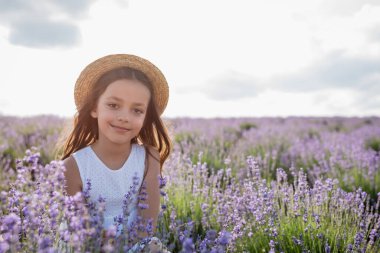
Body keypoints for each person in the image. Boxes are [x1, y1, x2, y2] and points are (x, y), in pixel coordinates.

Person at [59, 54, 172, 249]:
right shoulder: (73, 167)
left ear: (146, 117)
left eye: (136, 110)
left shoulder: (148, 158)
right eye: (113, 105)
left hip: (136, 245)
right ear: (94, 108)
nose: (124, 117)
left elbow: (146, 226)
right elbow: (83, 234)